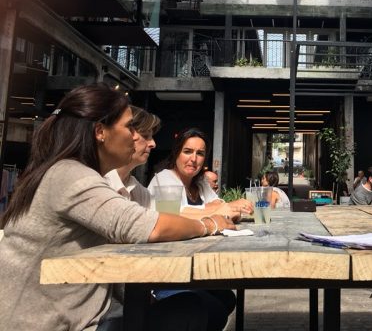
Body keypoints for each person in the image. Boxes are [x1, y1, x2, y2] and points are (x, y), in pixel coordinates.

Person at [0, 83, 235, 331]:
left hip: (75, 314)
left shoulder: (70, 171)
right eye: (130, 127)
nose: (136, 137)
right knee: (191, 310)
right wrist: (209, 224)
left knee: (203, 304)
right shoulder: (70, 174)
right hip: (45, 323)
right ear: (100, 132)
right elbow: (148, 226)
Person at [103, 106, 236, 330]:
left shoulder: (135, 188)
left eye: (200, 153)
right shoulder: (103, 185)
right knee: (200, 309)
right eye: (145, 136)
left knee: (223, 298)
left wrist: (216, 214)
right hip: (115, 302)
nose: (153, 144)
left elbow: (166, 218)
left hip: (140, 282)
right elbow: (165, 220)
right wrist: (210, 222)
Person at [149, 128, 252, 219]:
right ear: (176, 153)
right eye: (187, 151)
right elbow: (174, 216)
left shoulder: (200, 181)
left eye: (200, 153)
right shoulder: (164, 179)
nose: (194, 159)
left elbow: (218, 203)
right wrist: (218, 209)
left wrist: (225, 209)